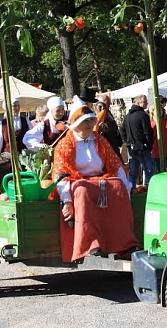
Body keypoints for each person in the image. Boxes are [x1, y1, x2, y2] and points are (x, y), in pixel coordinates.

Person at [50, 96, 138, 262]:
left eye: (91, 120)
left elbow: (115, 163)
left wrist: (126, 186)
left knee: (118, 186)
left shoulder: (100, 140)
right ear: (75, 124)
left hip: (100, 179)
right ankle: (90, 244)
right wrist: (66, 201)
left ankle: (123, 243)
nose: (90, 125)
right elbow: (60, 173)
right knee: (82, 191)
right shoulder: (65, 144)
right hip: (76, 182)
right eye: (85, 121)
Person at [120, 94, 154, 186]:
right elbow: (148, 132)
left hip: (131, 148)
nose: (147, 103)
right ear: (138, 102)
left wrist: (127, 141)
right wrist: (148, 144)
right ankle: (148, 190)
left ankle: (131, 191)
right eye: (145, 101)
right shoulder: (143, 115)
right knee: (149, 170)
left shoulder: (127, 116)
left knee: (133, 173)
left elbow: (122, 130)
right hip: (143, 147)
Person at [150, 97, 167, 173]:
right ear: (153, 112)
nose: (159, 112)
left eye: (160, 110)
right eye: (157, 110)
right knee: (158, 173)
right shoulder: (151, 125)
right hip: (156, 154)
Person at [94, 93, 122, 158]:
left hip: (113, 145)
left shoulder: (108, 113)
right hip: (105, 148)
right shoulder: (95, 117)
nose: (110, 104)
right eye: (108, 102)